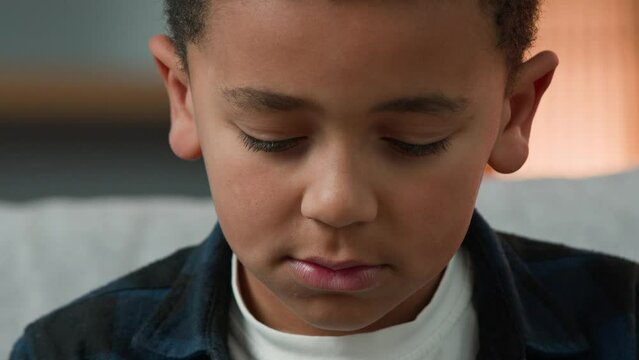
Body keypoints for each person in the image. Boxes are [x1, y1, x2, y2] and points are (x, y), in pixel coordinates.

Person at [10, 0, 638, 359]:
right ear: (184, 100)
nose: (338, 203)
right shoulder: (73, 352)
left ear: (515, 110)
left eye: (410, 142)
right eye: (273, 138)